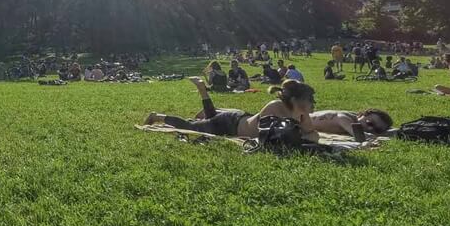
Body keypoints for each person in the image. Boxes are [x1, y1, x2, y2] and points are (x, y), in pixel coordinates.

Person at [143, 77, 318, 141]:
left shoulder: (300, 113)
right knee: (192, 127)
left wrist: (305, 126)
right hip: (230, 123)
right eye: (310, 100)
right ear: (296, 100)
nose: (313, 104)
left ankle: (203, 91)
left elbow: (311, 132)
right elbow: (272, 137)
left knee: (206, 120)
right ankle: (157, 116)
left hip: (240, 119)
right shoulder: (276, 107)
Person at [310, 109, 393, 137]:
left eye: (377, 130)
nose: (371, 129)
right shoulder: (344, 118)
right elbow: (359, 135)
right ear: (361, 115)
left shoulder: (356, 117)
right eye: (370, 123)